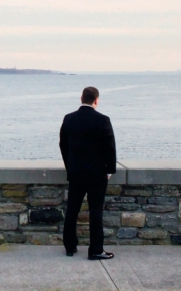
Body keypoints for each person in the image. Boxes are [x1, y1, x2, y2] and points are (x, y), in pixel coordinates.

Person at [59, 86, 117, 260]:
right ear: (96, 100)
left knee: (72, 210)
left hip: (76, 172)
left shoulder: (69, 119)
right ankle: (95, 250)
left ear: (81, 98)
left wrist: (70, 166)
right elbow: (110, 148)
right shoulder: (103, 120)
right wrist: (109, 170)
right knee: (96, 212)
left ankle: (70, 246)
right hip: (97, 174)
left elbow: (63, 145)